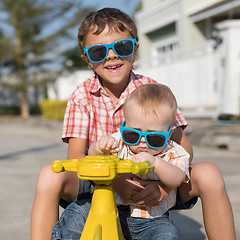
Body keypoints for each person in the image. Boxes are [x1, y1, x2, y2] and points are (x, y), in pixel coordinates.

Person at [31, 7, 236, 240]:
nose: (111, 56)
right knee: (49, 174)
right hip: (100, 183)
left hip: (157, 178)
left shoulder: (152, 91)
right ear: (87, 60)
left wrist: (163, 186)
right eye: (98, 51)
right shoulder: (82, 96)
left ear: (135, 50)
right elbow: (76, 158)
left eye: (122, 47)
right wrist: (116, 181)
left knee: (209, 173)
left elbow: (184, 150)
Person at [88, 83, 190, 239]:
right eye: (132, 134)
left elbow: (176, 179)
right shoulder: (119, 142)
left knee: (168, 235)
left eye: (154, 138)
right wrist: (99, 148)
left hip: (153, 221)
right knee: (76, 213)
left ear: (170, 133)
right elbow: (93, 159)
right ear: (125, 126)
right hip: (113, 213)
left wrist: (156, 163)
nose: (142, 142)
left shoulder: (173, 152)